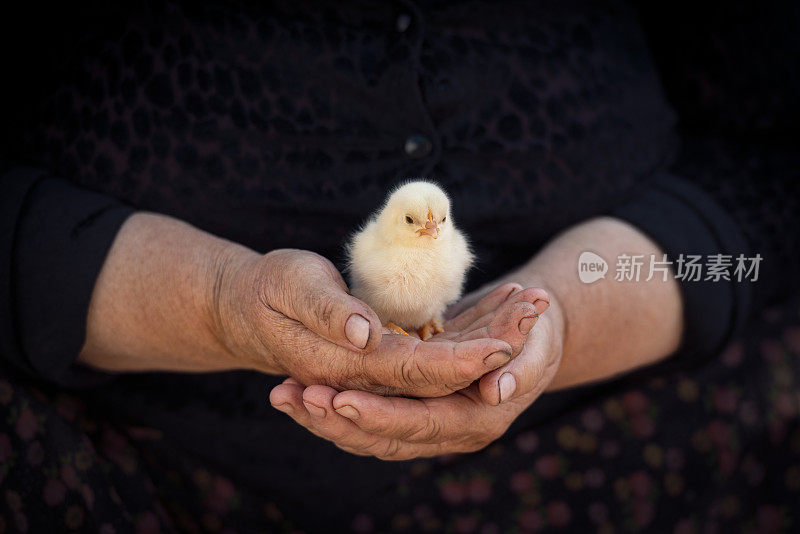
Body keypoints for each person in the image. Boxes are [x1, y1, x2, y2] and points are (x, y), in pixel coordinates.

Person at [1, 0, 798, 531]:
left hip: (621, 438)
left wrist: (566, 308)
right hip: (114, 453)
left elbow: (768, 162)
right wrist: (212, 301)